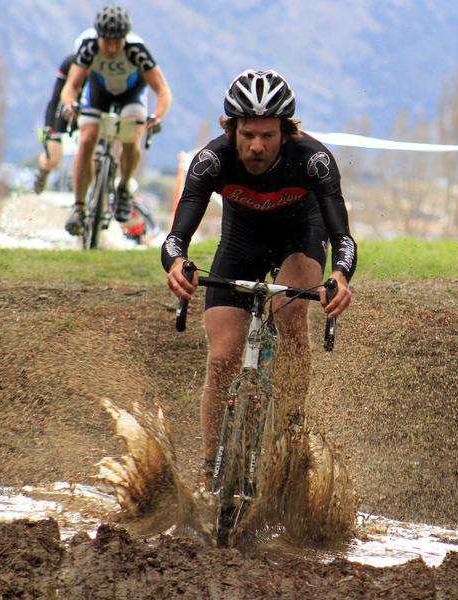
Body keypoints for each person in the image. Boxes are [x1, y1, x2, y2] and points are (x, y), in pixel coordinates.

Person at [162, 69, 357, 484]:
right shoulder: (212, 160)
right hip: (240, 243)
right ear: (231, 129)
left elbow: (343, 237)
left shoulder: (314, 161)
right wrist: (177, 264)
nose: (256, 145)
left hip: (299, 237)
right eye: (248, 134)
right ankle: (209, 465)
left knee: (288, 317)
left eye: (267, 135)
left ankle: (290, 424)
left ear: (286, 133)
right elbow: (176, 239)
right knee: (222, 359)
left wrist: (340, 276)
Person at [60, 5, 172, 235]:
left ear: (125, 38)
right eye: (107, 41)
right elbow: (71, 85)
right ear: (98, 37)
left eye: (117, 42)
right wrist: (70, 104)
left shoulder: (136, 50)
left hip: (131, 96)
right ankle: (79, 208)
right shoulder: (89, 48)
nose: (111, 48)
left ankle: (123, 188)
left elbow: (162, 90)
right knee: (87, 138)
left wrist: (158, 116)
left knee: (132, 136)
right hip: (98, 94)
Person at [33, 53, 77, 194]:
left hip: (91, 111)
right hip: (66, 110)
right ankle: (44, 169)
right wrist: (49, 126)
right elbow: (54, 99)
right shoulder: (70, 63)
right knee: (54, 157)